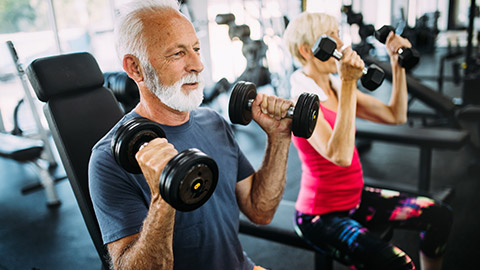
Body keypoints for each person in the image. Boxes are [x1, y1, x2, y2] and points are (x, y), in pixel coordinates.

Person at [88, 1, 295, 269]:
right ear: (135, 68)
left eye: (196, 49)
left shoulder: (214, 122)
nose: (198, 64)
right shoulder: (109, 160)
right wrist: (163, 199)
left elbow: (260, 210)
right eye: (177, 54)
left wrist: (279, 138)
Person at [283, 12, 453, 270]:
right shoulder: (301, 103)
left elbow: (396, 115)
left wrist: (397, 64)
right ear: (308, 50)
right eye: (333, 38)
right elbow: (340, 155)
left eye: (339, 36)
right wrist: (349, 82)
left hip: (355, 198)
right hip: (320, 216)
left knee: (439, 215)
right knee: (399, 265)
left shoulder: (334, 87)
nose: (342, 45)